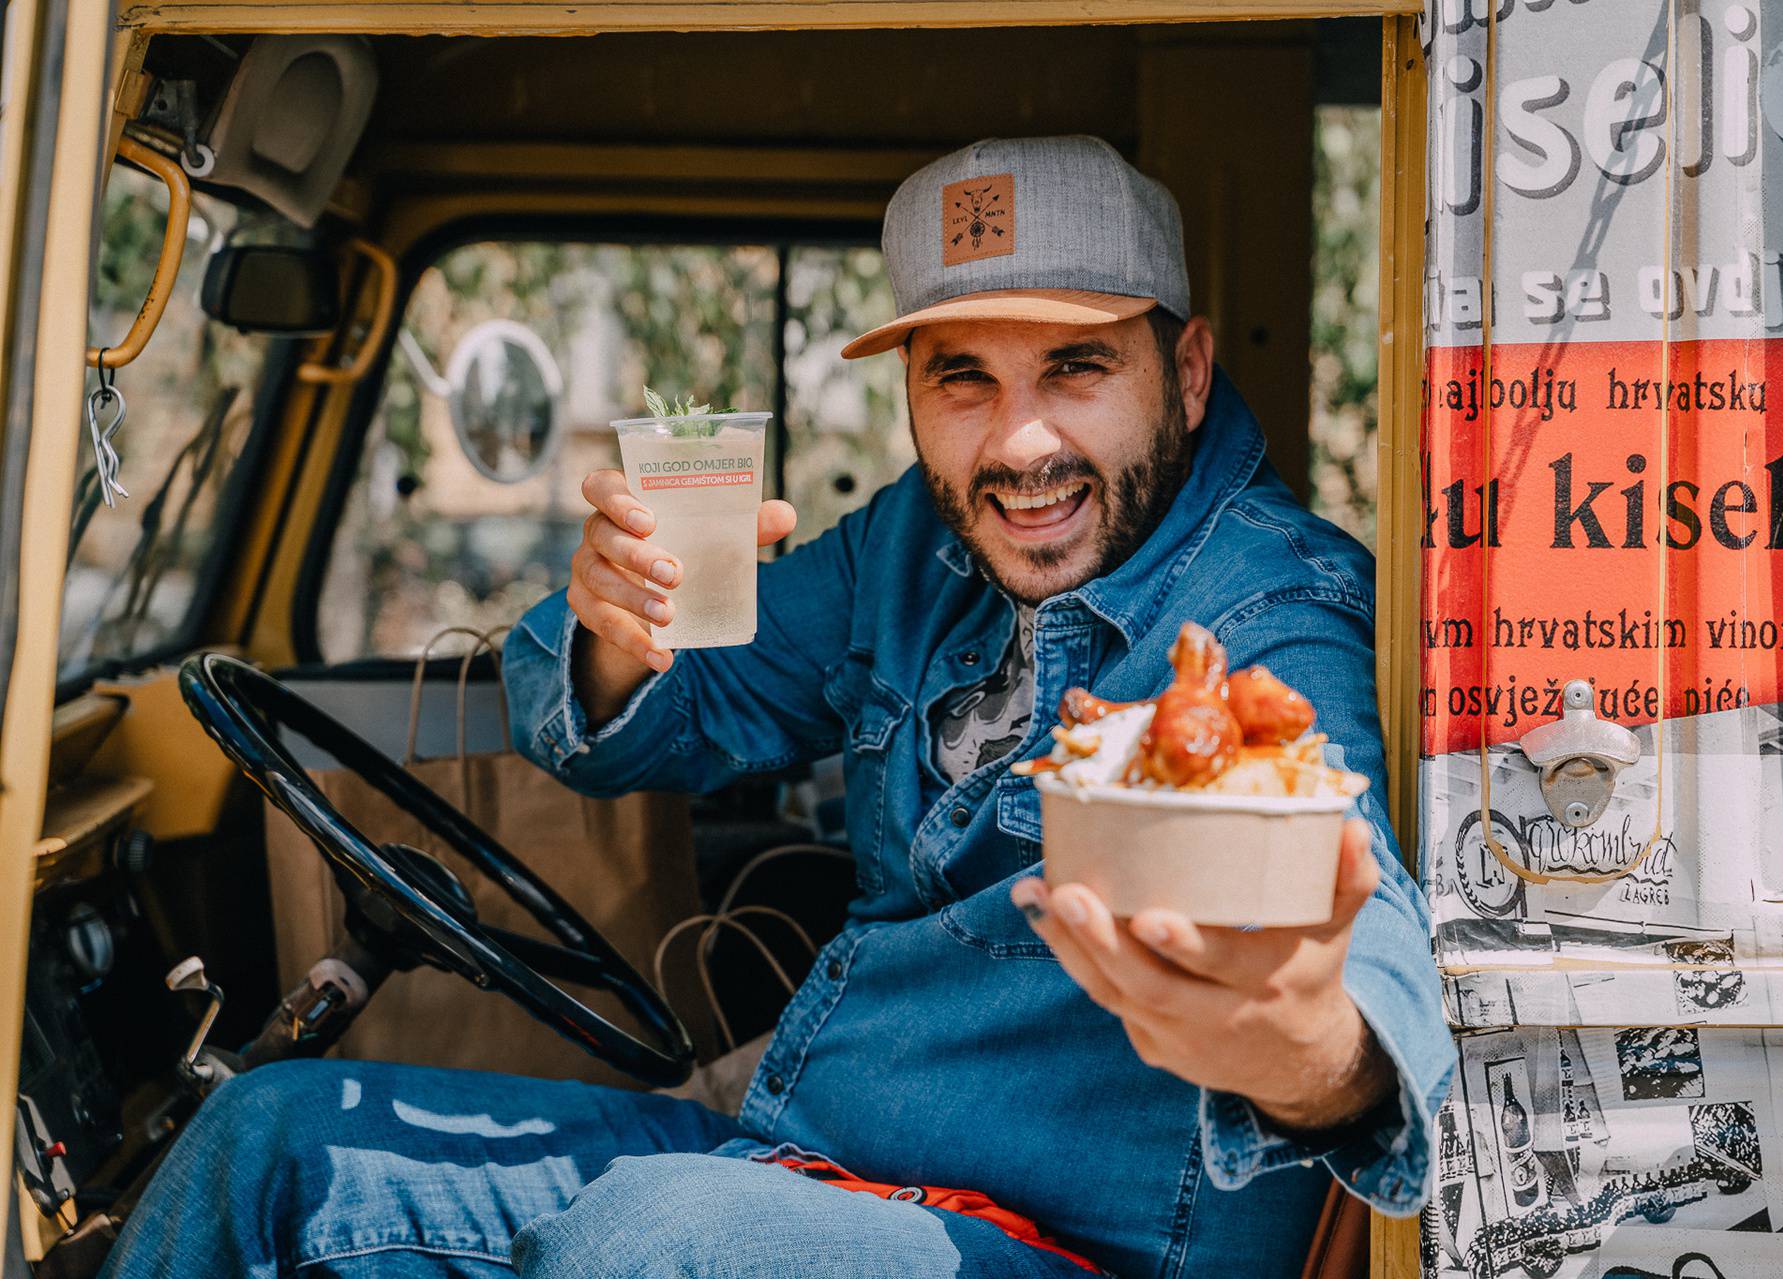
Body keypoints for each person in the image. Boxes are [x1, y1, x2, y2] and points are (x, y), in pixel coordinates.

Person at [102, 136, 1452, 1278]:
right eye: (962, 377)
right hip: (812, 1162)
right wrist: (618, 633)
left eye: (1078, 369)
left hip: (1066, 1242)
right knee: (269, 1142)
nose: (1019, 443)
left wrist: (1310, 1048)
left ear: (1190, 372)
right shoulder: (913, 554)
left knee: (657, 1242)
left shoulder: (1273, 616)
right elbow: (667, 704)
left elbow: (1358, 939)